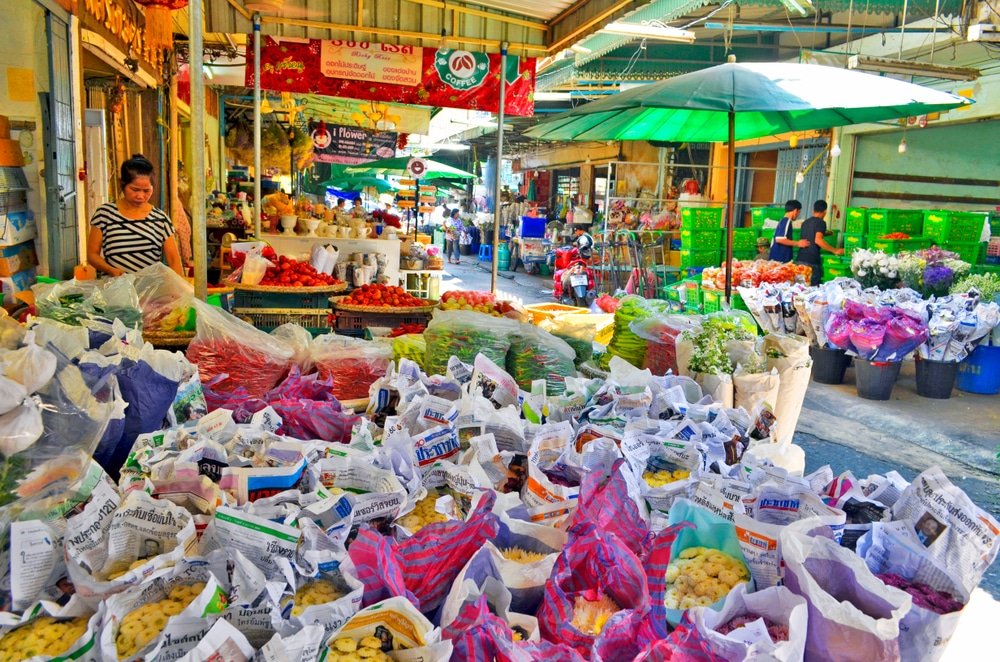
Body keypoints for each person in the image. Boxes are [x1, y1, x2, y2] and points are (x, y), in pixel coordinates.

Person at [87, 154, 183, 276]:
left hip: (150, 290)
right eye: (135, 189)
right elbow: (92, 255)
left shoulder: (160, 219)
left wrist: (178, 288)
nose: (140, 196)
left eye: (146, 191)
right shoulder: (105, 214)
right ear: (123, 185)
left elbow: (174, 260)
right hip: (115, 288)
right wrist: (110, 270)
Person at [796, 200, 843, 285]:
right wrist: (835, 250)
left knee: (800, 289)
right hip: (812, 262)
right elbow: (818, 240)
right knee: (812, 290)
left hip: (800, 260)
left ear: (813, 210)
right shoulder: (821, 223)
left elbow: (810, 235)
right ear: (825, 212)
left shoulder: (805, 223)